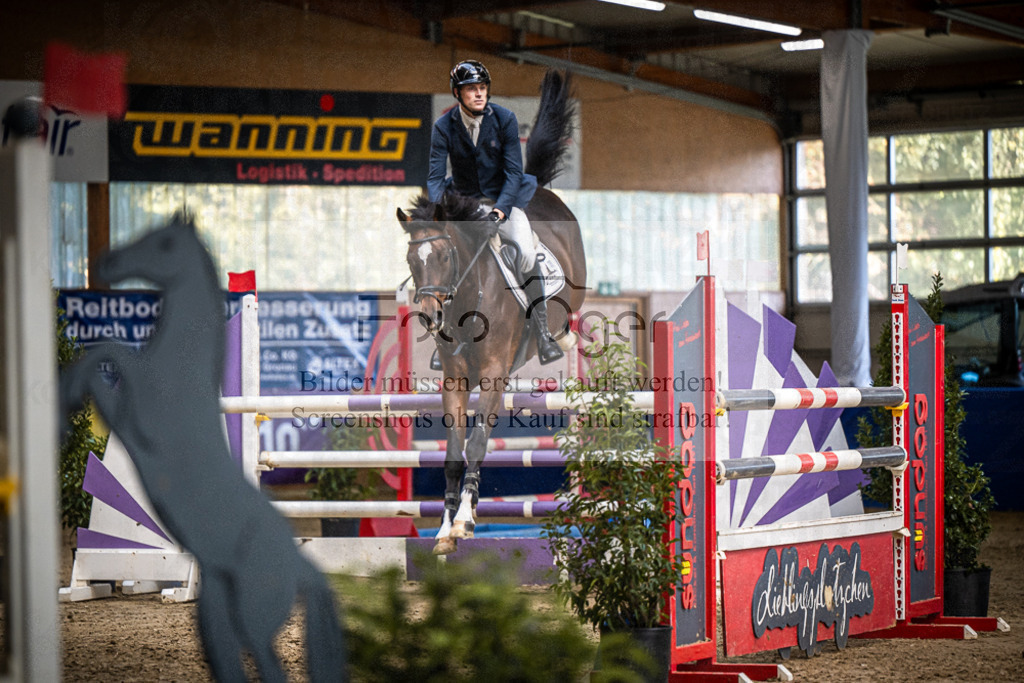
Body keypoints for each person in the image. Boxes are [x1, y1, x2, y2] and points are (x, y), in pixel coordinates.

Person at [427, 59, 563, 365]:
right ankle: (447, 334)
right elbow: (435, 178)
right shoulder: (443, 127)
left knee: (525, 251)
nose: (479, 94)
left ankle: (543, 333)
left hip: (505, 199)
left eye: (482, 88)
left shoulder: (504, 119)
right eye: (472, 89)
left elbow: (514, 174)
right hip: (463, 204)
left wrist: (499, 213)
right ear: (457, 93)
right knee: (448, 256)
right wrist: (440, 212)